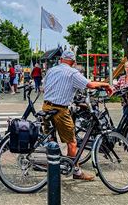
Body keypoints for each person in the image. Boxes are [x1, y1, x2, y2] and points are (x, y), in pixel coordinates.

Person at [42, 50, 113, 181]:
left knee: (52, 138)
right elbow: (90, 85)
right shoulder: (72, 72)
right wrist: (106, 84)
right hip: (59, 110)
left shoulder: (51, 70)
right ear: (73, 62)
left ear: (61, 60)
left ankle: (53, 163)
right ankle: (76, 171)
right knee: (72, 142)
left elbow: (44, 88)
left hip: (46, 106)